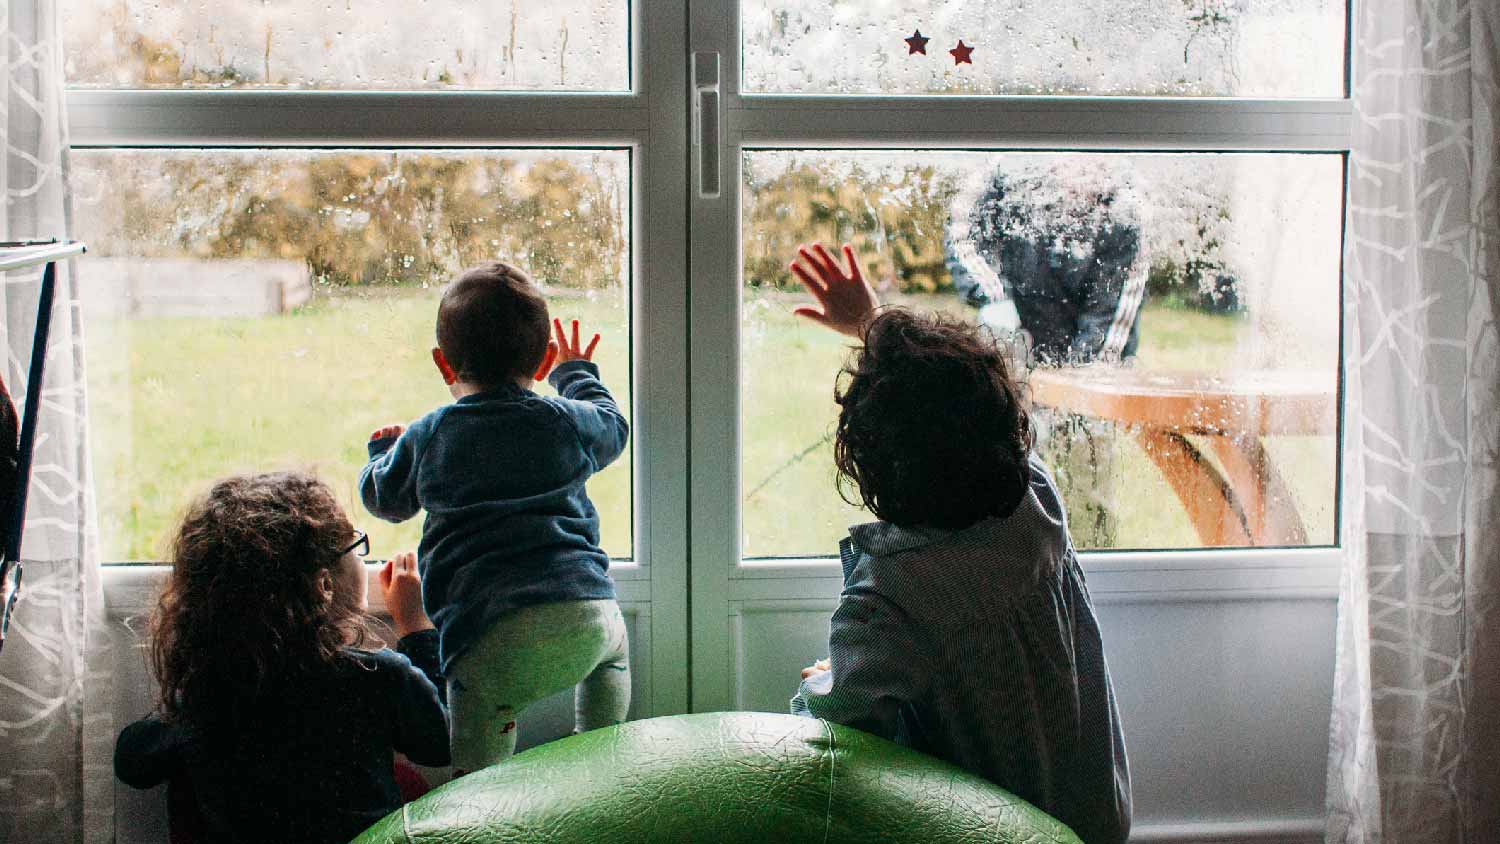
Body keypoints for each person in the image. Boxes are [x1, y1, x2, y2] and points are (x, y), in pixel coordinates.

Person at [787, 243, 1131, 844]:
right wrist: (875, 322)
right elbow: (956, 407)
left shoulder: (891, 598)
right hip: (1092, 818)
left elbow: (830, 730)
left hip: (990, 833)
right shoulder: (1035, 502)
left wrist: (824, 681)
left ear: (869, 466)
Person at [359, 261, 631, 774]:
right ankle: (600, 747)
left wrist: (382, 451)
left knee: (478, 760)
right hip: (586, 618)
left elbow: (385, 500)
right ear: (545, 358)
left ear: (444, 365)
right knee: (614, 657)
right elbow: (614, 428)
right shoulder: (563, 420)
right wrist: (576, 376)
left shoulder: (431, 434)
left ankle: (480, 797)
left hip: (488, 639)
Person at [114, 472, 448, 844]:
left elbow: (132, 762)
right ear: (323, 585)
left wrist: (183, 717)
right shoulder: (376, 677)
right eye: (356, 545)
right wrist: (416, 629)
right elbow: (442, 741)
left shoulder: (214, 697)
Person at [945, 161, 1148, 547]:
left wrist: (1073, 392)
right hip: (1011, 347)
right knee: (1001, 480)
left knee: (1085, 484)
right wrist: (996, 302)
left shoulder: (1126, 209)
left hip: (1090, 363)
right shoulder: (1005, 176)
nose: (1085, 176)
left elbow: (1110, 319)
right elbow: (963, 232)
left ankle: (1089, 562)